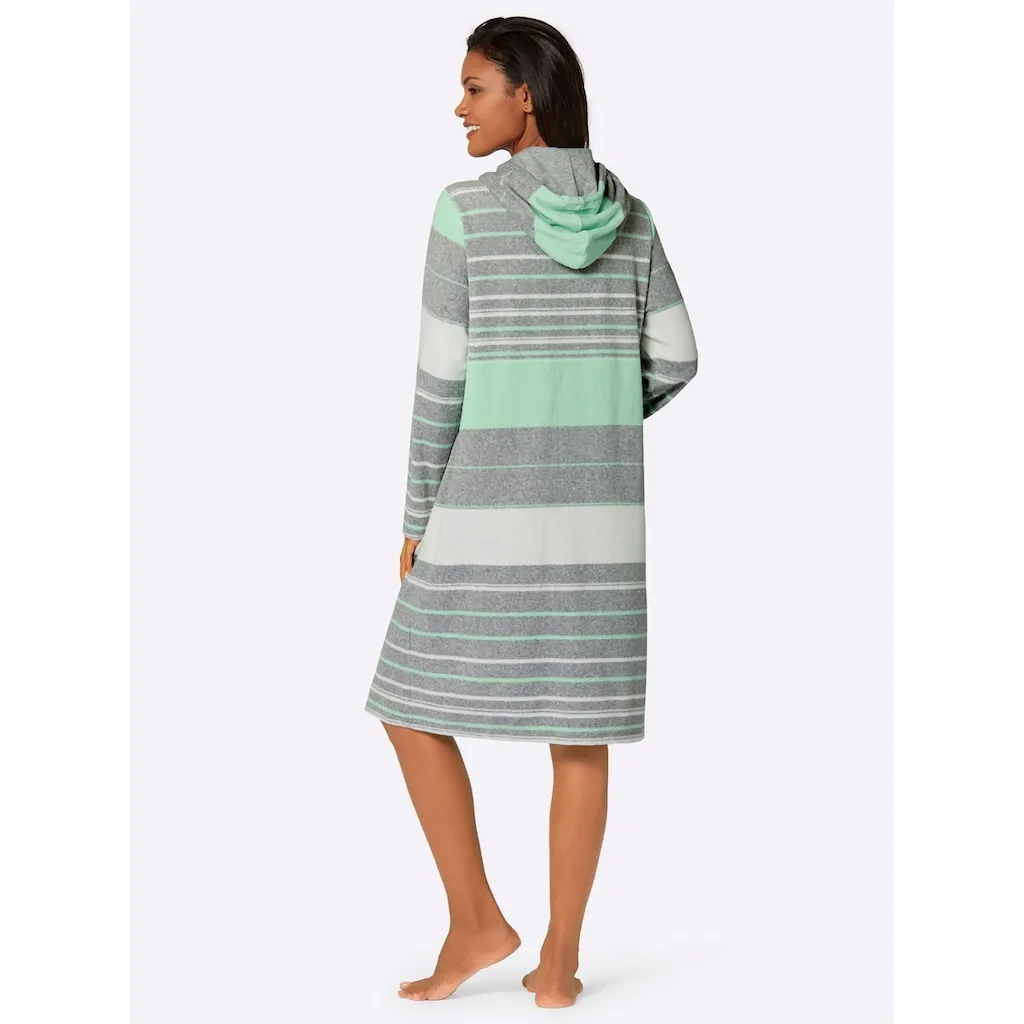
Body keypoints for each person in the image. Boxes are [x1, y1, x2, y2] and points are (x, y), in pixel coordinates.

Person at [363, 15, 698, 1010]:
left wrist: (416, 515)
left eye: (475, 88)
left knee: (407, 706)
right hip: (602, 529)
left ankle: (476, 920)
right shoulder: (632, 216)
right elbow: (677, 356)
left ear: (527, 95)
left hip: (479, 513)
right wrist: (599, 412)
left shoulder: (466, 212)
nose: (458, 108)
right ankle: (557, 968)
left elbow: (440, 382)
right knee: (579, 736)